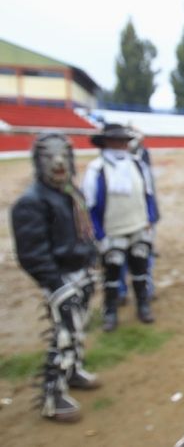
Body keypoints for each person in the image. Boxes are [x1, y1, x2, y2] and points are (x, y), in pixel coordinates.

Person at [10, 133, 101, 423]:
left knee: (77, 332)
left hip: (80, 273)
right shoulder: (31, 202)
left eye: (63, 155)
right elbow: (32, 254)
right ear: (39, 161)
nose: (58, 162)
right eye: (50, 157)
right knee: (63, 336)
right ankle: (52, 396)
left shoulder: (70, 192)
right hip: (60, 280)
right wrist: (56, 284)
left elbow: (84, 230)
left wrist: (90, 258)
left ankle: (72, 372)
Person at [82, 123, 158, 332]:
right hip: (112, 230)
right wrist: (99, 234)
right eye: (116, 141)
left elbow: (148, 194)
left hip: (138, 227)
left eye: (124, 141)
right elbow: (90, 206)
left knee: (140, 270)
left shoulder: (137, 165)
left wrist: (150, 219)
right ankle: (111, 312)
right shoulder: (96, 169)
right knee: (112, 275)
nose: (121, 145)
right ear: (106, 142)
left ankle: (143, 306)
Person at [117, 129, 160, 305]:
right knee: (118, 258)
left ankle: (145, 291)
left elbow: (149, 194)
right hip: (119, 221)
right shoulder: (106, 167)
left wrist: (150, 218)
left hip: (140, 221)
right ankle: (121, 292)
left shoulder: (141, 164)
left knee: (143, 257)